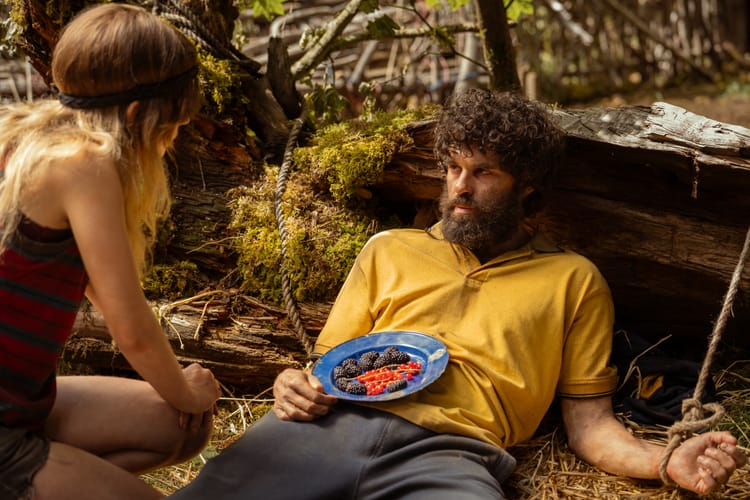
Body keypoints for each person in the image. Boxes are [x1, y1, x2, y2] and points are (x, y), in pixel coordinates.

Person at [169, 89, 746, 499]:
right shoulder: (389, 250)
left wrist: (665, 462)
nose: (460, 188)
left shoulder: (574, 281)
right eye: (452, 169)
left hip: (450, 456)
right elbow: (325, 369)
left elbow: (591, 428)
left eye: (484, 173)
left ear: (528, 187)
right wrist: (290, 385)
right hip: (328, 427)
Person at [0, 4, 222, 499]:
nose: (170, 142)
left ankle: (54, 477)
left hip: (23, 405)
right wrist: (186, 387)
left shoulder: (31, 137)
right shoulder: (84, 162)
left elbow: (107, 296)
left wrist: (182, 397)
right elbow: (131, 332)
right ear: (138, 116)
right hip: (4, 431)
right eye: (172, 128)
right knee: (184, 410)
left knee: (182, 424)